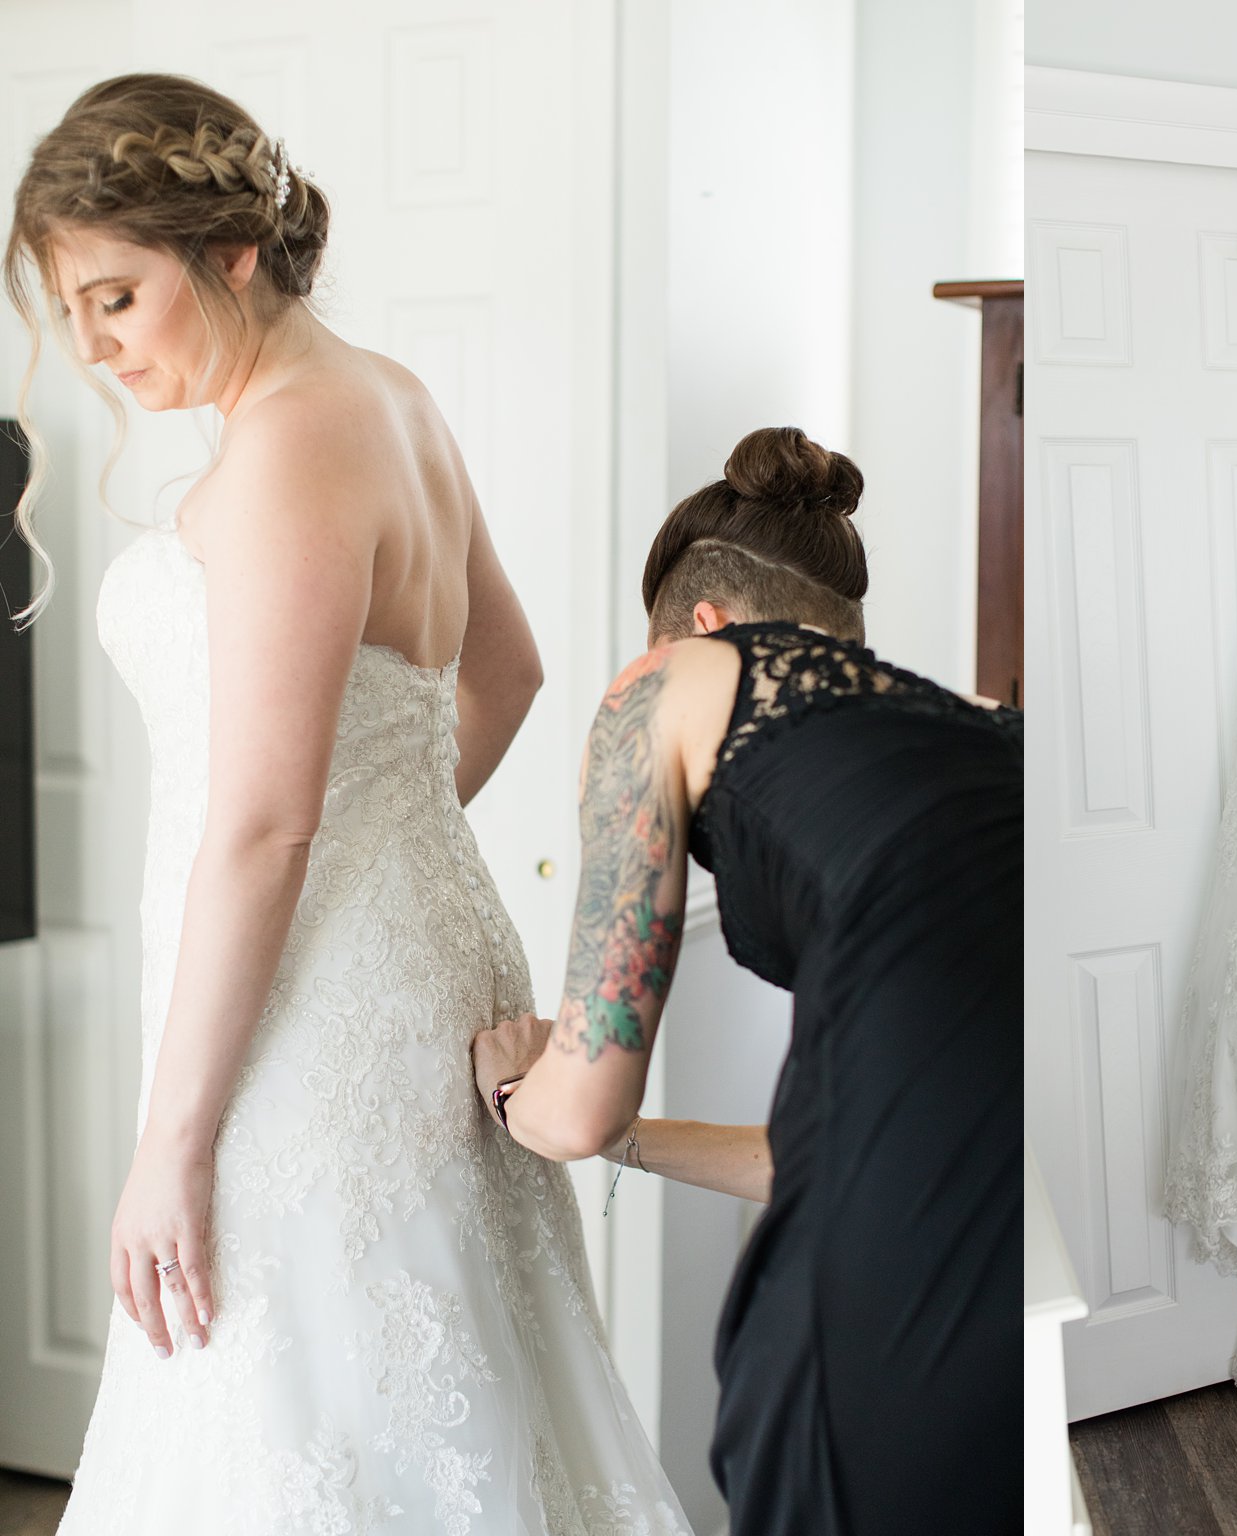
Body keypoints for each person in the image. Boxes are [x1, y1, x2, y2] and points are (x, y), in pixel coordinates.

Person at [8, 74, 688, 1530]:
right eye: (70, 314)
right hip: (394, 963)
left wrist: (171, 1143)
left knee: (289, 1383)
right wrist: (388, 832)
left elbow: (262, 826)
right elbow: (505, 670)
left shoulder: (291, 444)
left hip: (314, 1019)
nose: (93, 349)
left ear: (232, 253)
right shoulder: (386, 398)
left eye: (117, 298)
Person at [470, 427, 1022, 1536]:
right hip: (1011, 1278)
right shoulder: (978, 733)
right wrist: (640, 1141)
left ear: (701, 628)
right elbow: (839, 1147)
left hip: (873, 1326)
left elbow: (575, 1111)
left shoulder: (658, 689)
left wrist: (511, 1091)